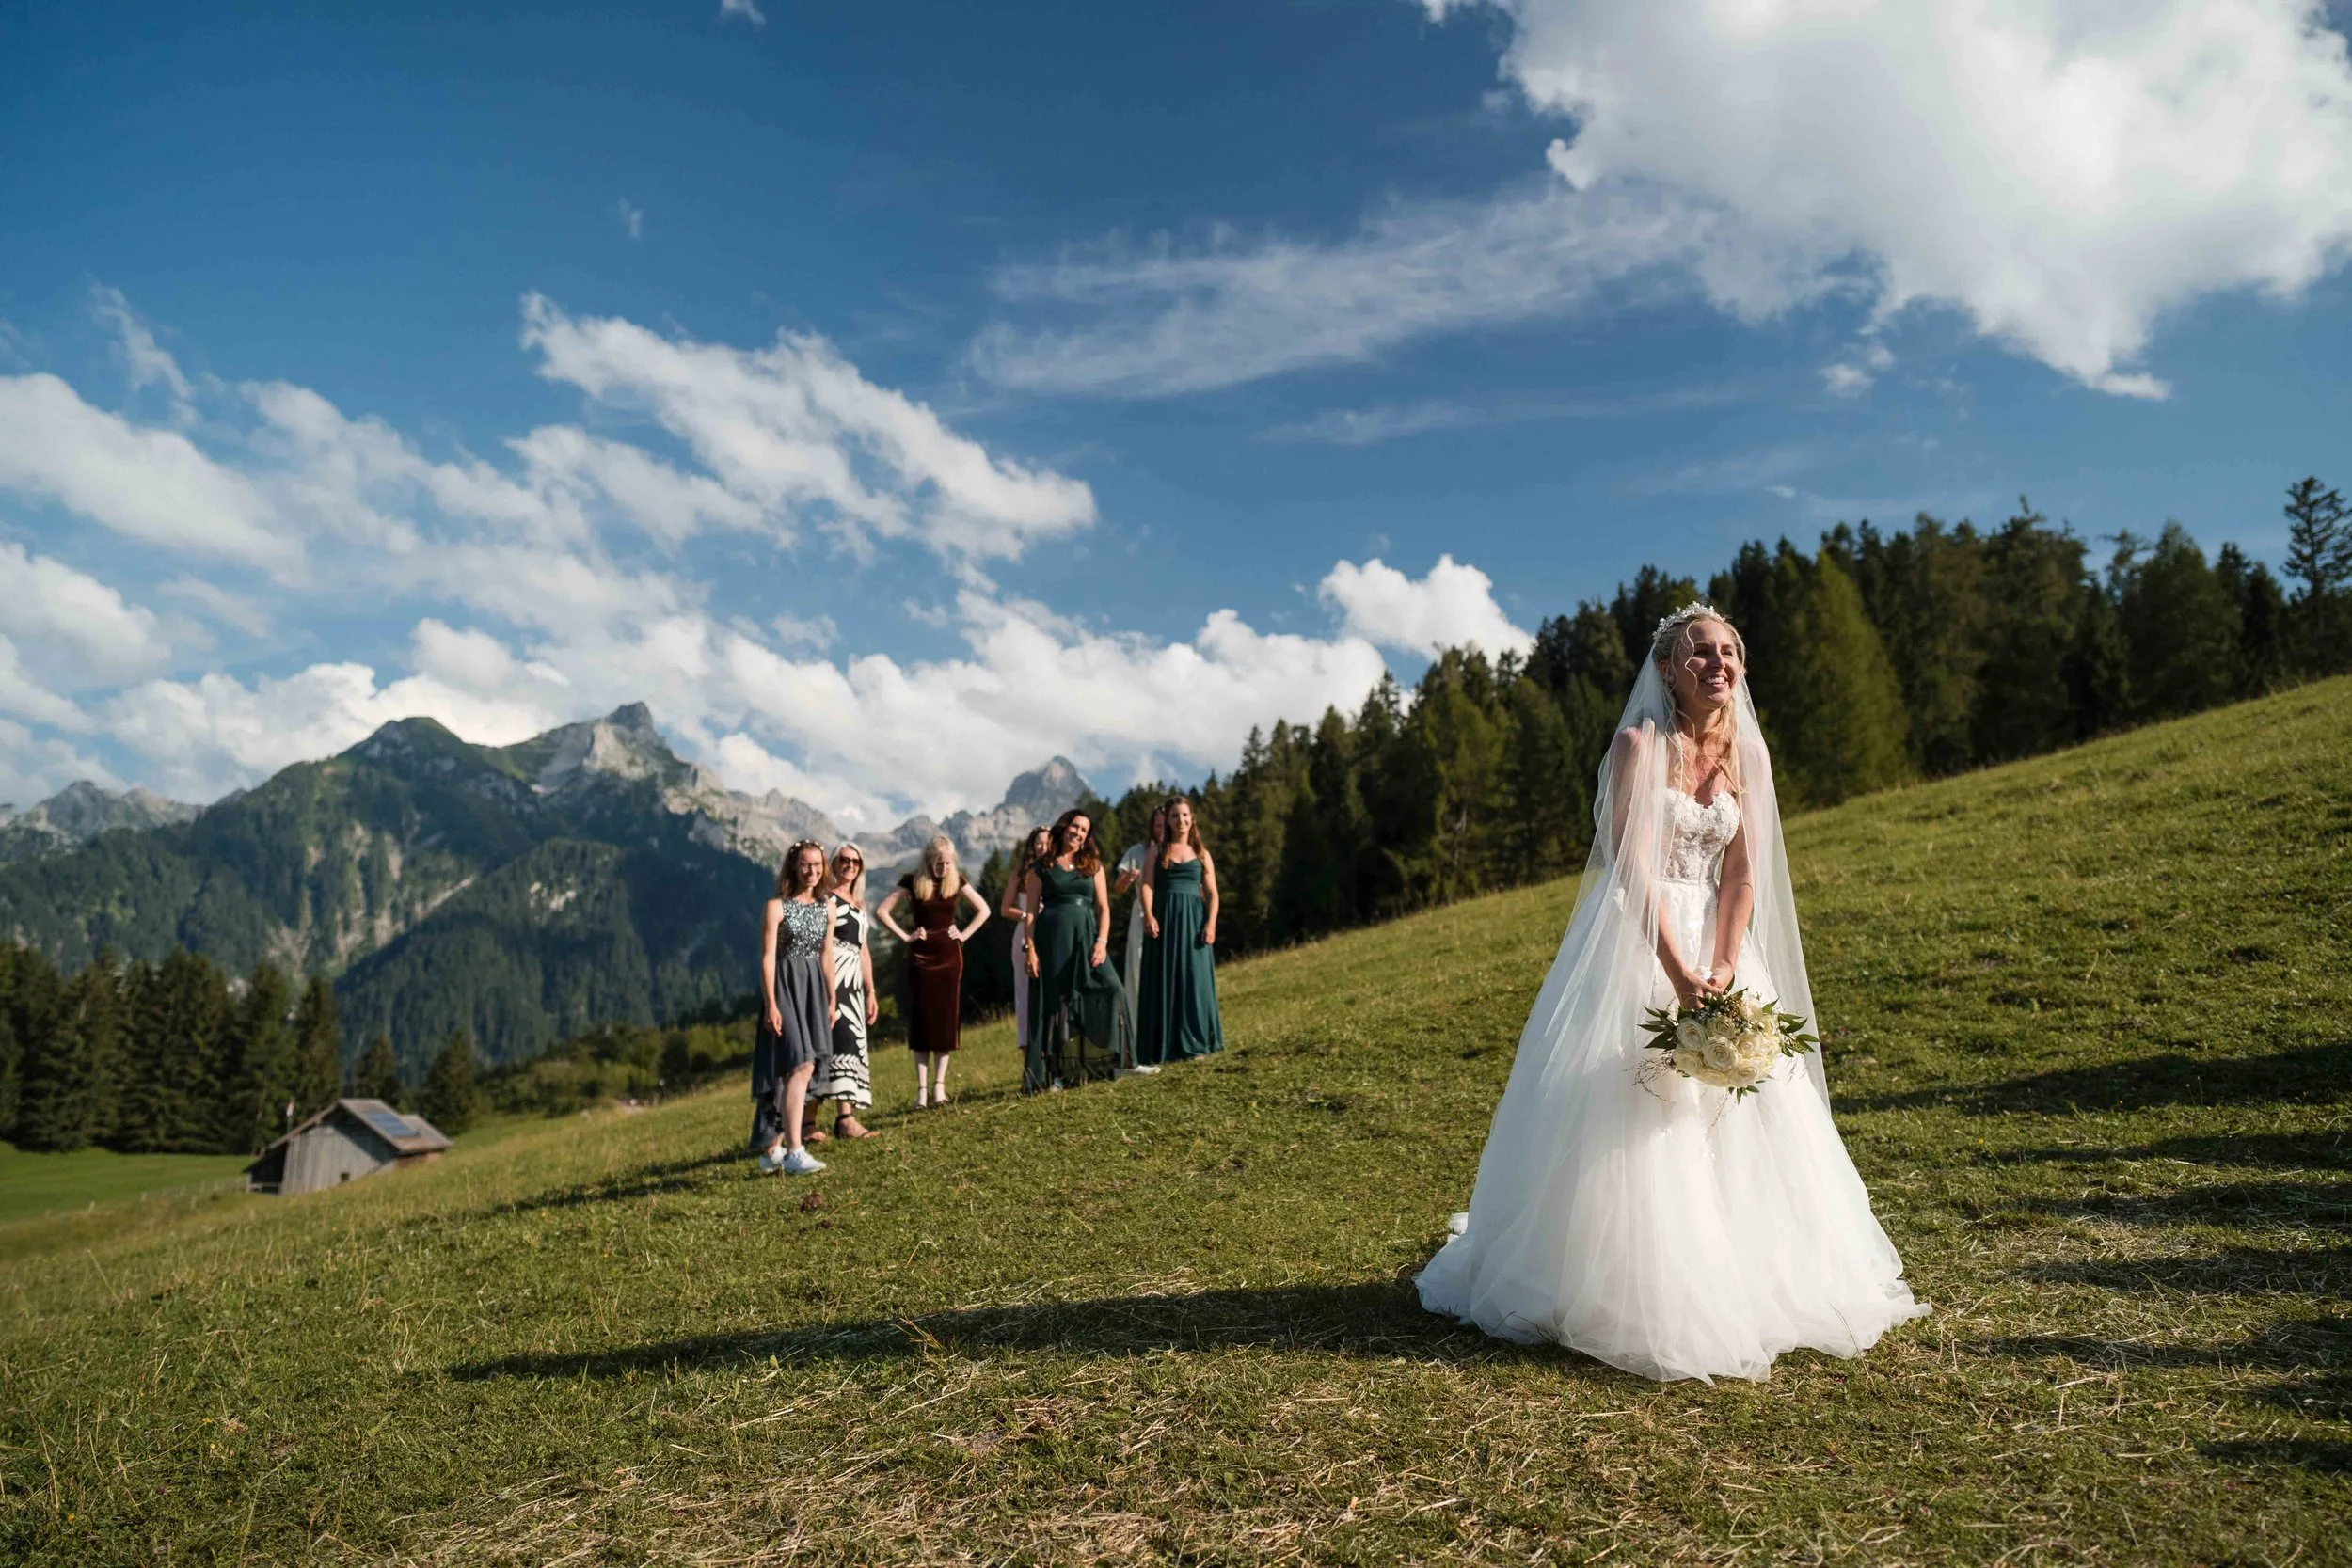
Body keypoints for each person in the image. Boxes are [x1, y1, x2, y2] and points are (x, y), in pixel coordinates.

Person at [1415, 604, 1927, 1383]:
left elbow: (1745, 873)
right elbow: (1630, 868)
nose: (1717, 663)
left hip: (1719, 949)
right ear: (1665, 670)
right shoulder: (1637, 746)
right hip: (1641, 941)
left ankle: (1744, 1267)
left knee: (1740, 1109)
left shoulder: (1747, 758)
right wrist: (1679, 972)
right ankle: (1625, 1278)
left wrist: (1721, 967)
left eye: (1730, 652)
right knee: (1639, 1107)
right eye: (1699, 652)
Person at [875, 834, 989, 1108]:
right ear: (928, 860)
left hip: (950, 957)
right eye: (939, 863)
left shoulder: (957, 880)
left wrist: (963, 934)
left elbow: (984, 909)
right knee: (922, 1022)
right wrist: (906, 936)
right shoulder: (912, 881)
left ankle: (940, 1088)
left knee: (945, 1021)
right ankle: (922, 1091)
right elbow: (881, 911)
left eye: (948, 863)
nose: (944, 868)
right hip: (921, 957)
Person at [1020, 807, 1129, 1091]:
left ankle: (1113, 1061)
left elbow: (1104, 909)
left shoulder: (1092, 864)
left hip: (1087, 939)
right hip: (1050, 940)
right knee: (1056, 1005)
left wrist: (1102, 942)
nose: (1078, 832)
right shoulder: (1041, 867)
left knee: (1113, 988)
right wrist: (1030, 949)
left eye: (1084, 830)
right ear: (1064, 826)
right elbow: (1030, 914)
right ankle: (1057, 1075)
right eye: (1075, 826)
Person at [753, 840, 835, 1176]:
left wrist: (832, 998)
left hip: (813, 987)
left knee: (794, 1067)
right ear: (793, 866)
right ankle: (795, 1151)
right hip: (785, 984)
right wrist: (771, 1002)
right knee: (799, 1065)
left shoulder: (827, 907)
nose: (812, 871)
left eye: (817, 865)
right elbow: (767, 957)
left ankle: (771, 1149)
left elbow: (826, 955)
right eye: (806, 865)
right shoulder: (777, 906)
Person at [1137, 797, 1225, 1064]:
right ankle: (1165, 1046)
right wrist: (1149, 915)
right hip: (1164, 919)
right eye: (1175, 816)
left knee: (1194, 979)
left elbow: (1212, 892)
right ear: (1169, 821)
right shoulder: (1156, 851)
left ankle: (1197, 1042)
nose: (1181, 820)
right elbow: (1146, 885)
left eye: (1185, 815)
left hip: (1194, 921)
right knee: (1164, 977)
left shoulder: (1202, 853)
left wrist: (1210, 924)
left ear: (1192, 818)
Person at [806, 842, 878, 1142]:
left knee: (847, 1045)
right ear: (833, 863)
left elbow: (863, 949)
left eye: (855, 861)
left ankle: (844, 1118)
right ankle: (808, 1123)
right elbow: (820, 944)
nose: (849, 865)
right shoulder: (826, 899)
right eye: (844, 860)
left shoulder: (859, 905)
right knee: (825, 1045)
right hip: (832, 975)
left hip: (853, 984)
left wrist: (871, 990)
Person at [1112, 805, 1167, 1074]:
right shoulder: (1138, 852)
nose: (1162, 830)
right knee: (1138, 976)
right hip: (1142, 916)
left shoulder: (1179, 852)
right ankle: (1136, 1048)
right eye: (1157, 825)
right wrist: (1126, 879)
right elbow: (1118, 889)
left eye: (1165, 825)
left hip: (1171, 918)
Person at [999, 825, 1053, 1067]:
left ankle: (1053, 1052)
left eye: (1048, 842)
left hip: (1052, 934)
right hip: (1024, 936)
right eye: (1038, 842)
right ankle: (1028, 1057)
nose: (1043, 847)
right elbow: (1004, 908)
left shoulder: (1056, 869)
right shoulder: (1021, 874)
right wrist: (1027, 915)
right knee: (1025, 994)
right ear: (1032, 846)